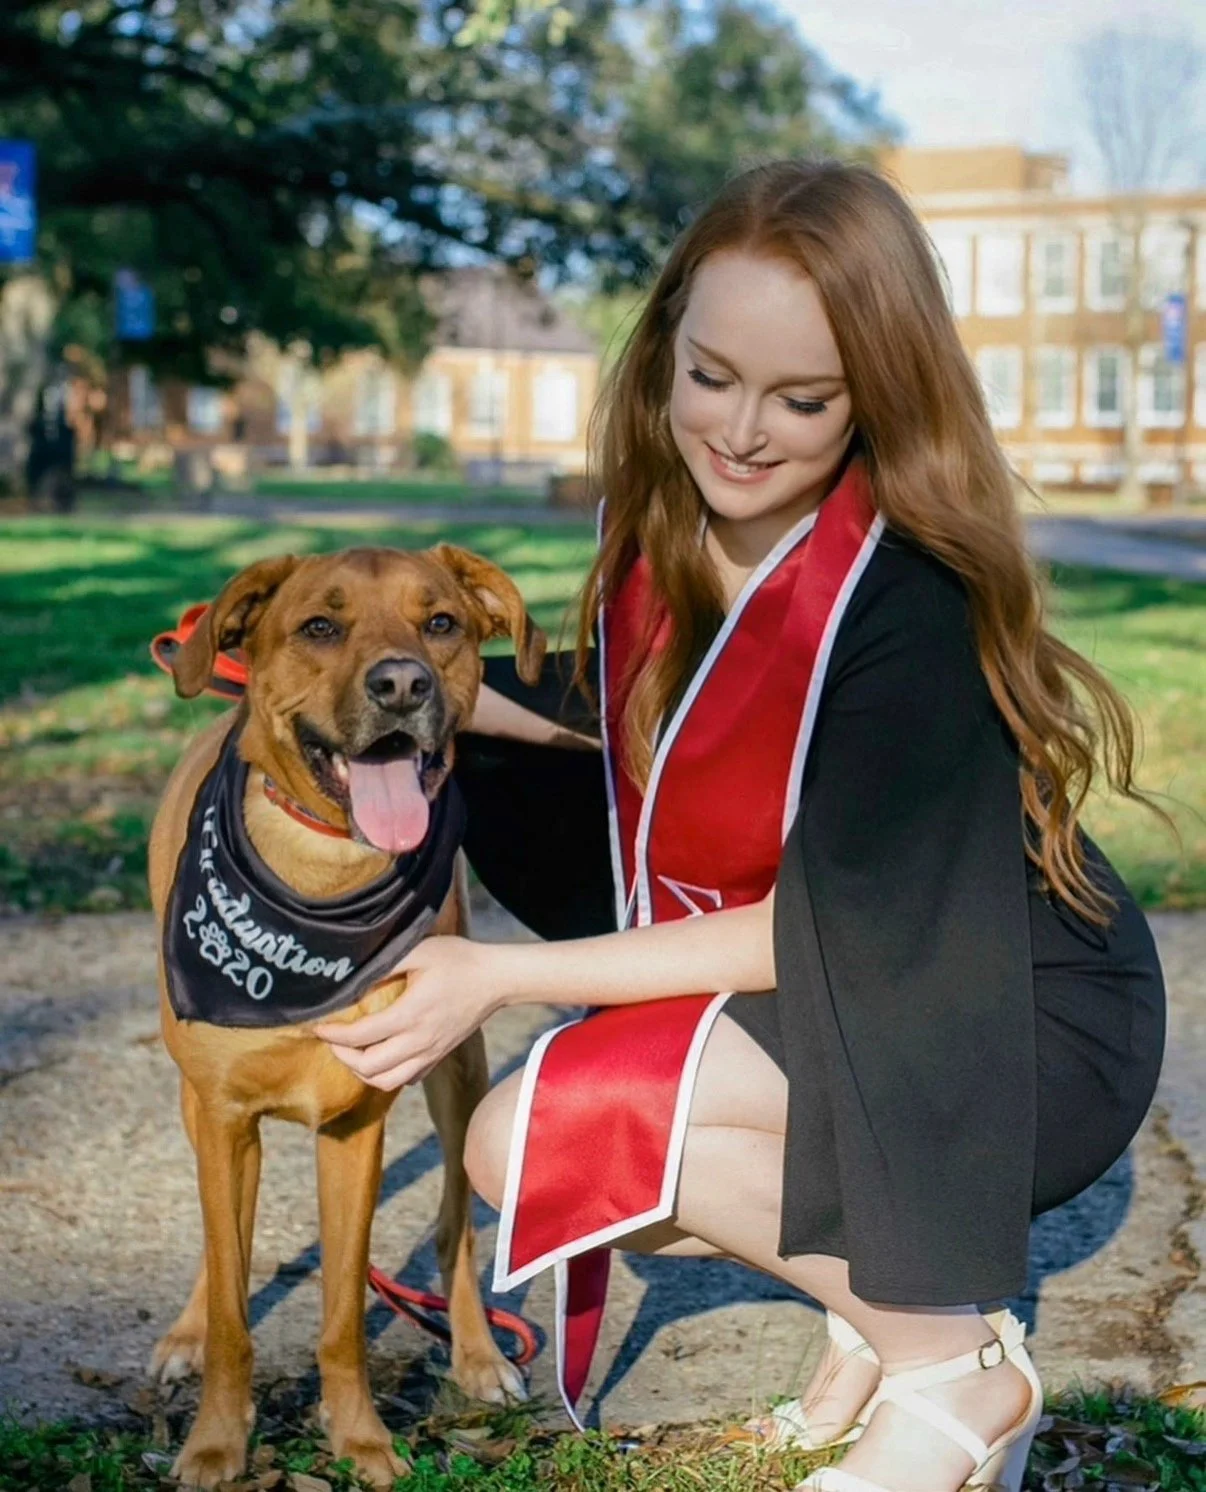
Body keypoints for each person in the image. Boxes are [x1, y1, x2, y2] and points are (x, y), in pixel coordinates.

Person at [315, 160, 1166, 1492]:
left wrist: (501, 972)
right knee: (565, 1138)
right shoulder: (654, 531)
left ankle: (955, 1374)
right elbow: (667, 760)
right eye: (712, 376)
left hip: (1008, 1023)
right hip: (852, 992)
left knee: (535, 1128)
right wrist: (457, 705)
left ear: (872, 395)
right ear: (661, 355)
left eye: (803, 397)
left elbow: (830, 924)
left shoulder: (911, 600)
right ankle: (881, 1339)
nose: (744, 432)